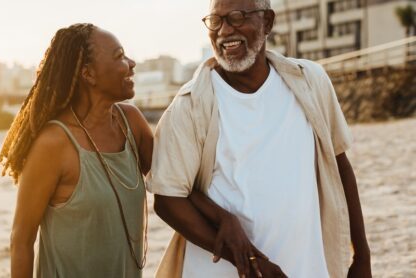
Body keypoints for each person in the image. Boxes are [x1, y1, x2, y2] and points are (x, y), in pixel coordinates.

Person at [148, 0, 372, 277]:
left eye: (237, 17)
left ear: (267, 22)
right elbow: (168, 200)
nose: (225, 31)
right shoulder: (190, 106)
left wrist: (361, 255)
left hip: (306, 265)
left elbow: (340, 165)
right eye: (216, 21)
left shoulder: (310, 81)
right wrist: (251, 261)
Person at [0, 23, 153, 278]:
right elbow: (21, 241)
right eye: (120, 56)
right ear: (88, 74)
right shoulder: (54, 144)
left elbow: (174, 179)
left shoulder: (132, 123)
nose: (132, 63)